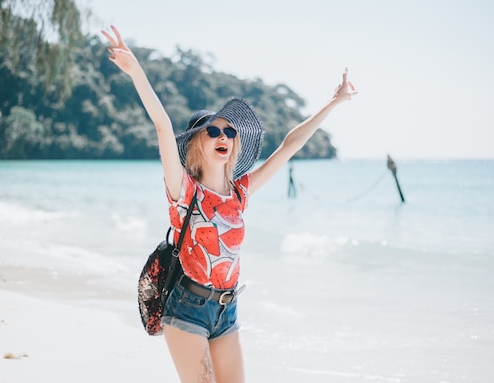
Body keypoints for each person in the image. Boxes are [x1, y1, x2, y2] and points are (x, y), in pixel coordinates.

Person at [101, 25, 357, 383]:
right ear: (196, 144)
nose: (224, 136)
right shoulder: (184, 190)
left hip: (228, 310)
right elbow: (162, 126)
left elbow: (289, 145)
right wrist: (136, 72)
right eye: (213, 131)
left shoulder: (240, 193)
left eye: (230, 131)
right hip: (187, 310)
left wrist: (334, 102)